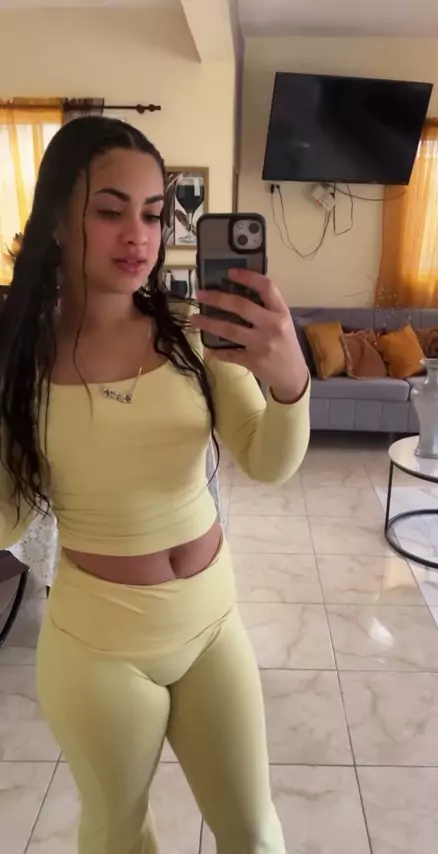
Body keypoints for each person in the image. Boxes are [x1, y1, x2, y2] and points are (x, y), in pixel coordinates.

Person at [0, 116, 310, 854]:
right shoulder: (20, 360)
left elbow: (267, 460)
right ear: (57, 222)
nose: (138, 236)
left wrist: (291, 379)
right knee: (120, 837)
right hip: (98, 646)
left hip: (211, 623)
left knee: (255, 835)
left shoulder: (193, 330)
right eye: (110, 211)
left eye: (152, 214)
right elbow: (7, 521)